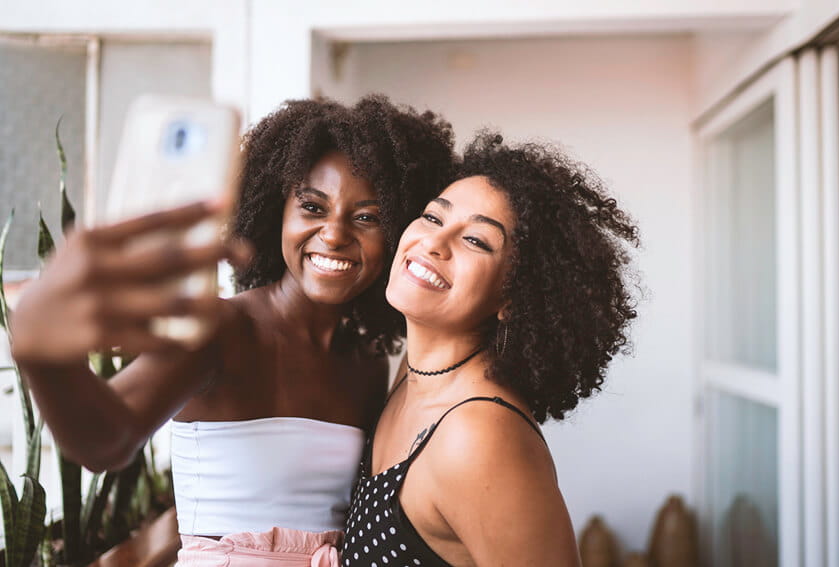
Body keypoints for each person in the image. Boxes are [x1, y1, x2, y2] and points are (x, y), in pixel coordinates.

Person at [9, 95, 455, 566]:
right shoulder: (222, 329)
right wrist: (42, 355)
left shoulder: (367, 360)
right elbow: (106, 441)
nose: (335, 233)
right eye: (312, 206)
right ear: (274, 211)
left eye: (367, 217)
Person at [342, 132, 640, 566]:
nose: (433, 243)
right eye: (432, 217)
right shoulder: (414, 371)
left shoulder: (476, 434)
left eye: (476, 241)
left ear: (512, 298)